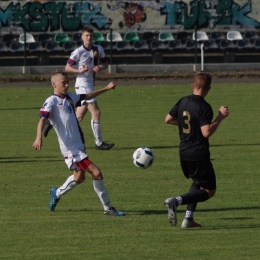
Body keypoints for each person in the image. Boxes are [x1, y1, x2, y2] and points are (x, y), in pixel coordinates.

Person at [32, 70, 125, 216]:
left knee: (79, 178)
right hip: (71, 149)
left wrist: (106, 89)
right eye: (64, 82)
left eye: (68, 82)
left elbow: (87, 96)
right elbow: (42, 119)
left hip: (79, 146)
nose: (67, 85)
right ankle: (108, 208)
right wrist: (39, 137)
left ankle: (56, 193)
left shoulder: (69, 97)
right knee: (96, 173)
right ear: (54, 84)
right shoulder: (52, 101)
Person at [164, 72, 229, 228]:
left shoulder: (183, 101)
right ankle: (176, 201)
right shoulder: (204, 107)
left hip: (184, 152)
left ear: (192, 85)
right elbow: (206, 132)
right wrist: (220, 117)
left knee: (197, 182)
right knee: (210, 190)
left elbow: (168, 119)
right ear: (208, 89)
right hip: (198, 153)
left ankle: (188, 219)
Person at [44, 26, 113, 150]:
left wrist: (100, 68)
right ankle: (99, 143)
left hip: (91, 83)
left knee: (79, 116)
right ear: (82, 37)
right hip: (82, 84)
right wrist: (79, 70)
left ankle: (51, 122)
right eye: (86, 35)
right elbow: (67, 68)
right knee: (96, 112)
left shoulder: (98, 49)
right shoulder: (78, 51)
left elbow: (106, 64)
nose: (89, 37)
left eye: (91, 35)